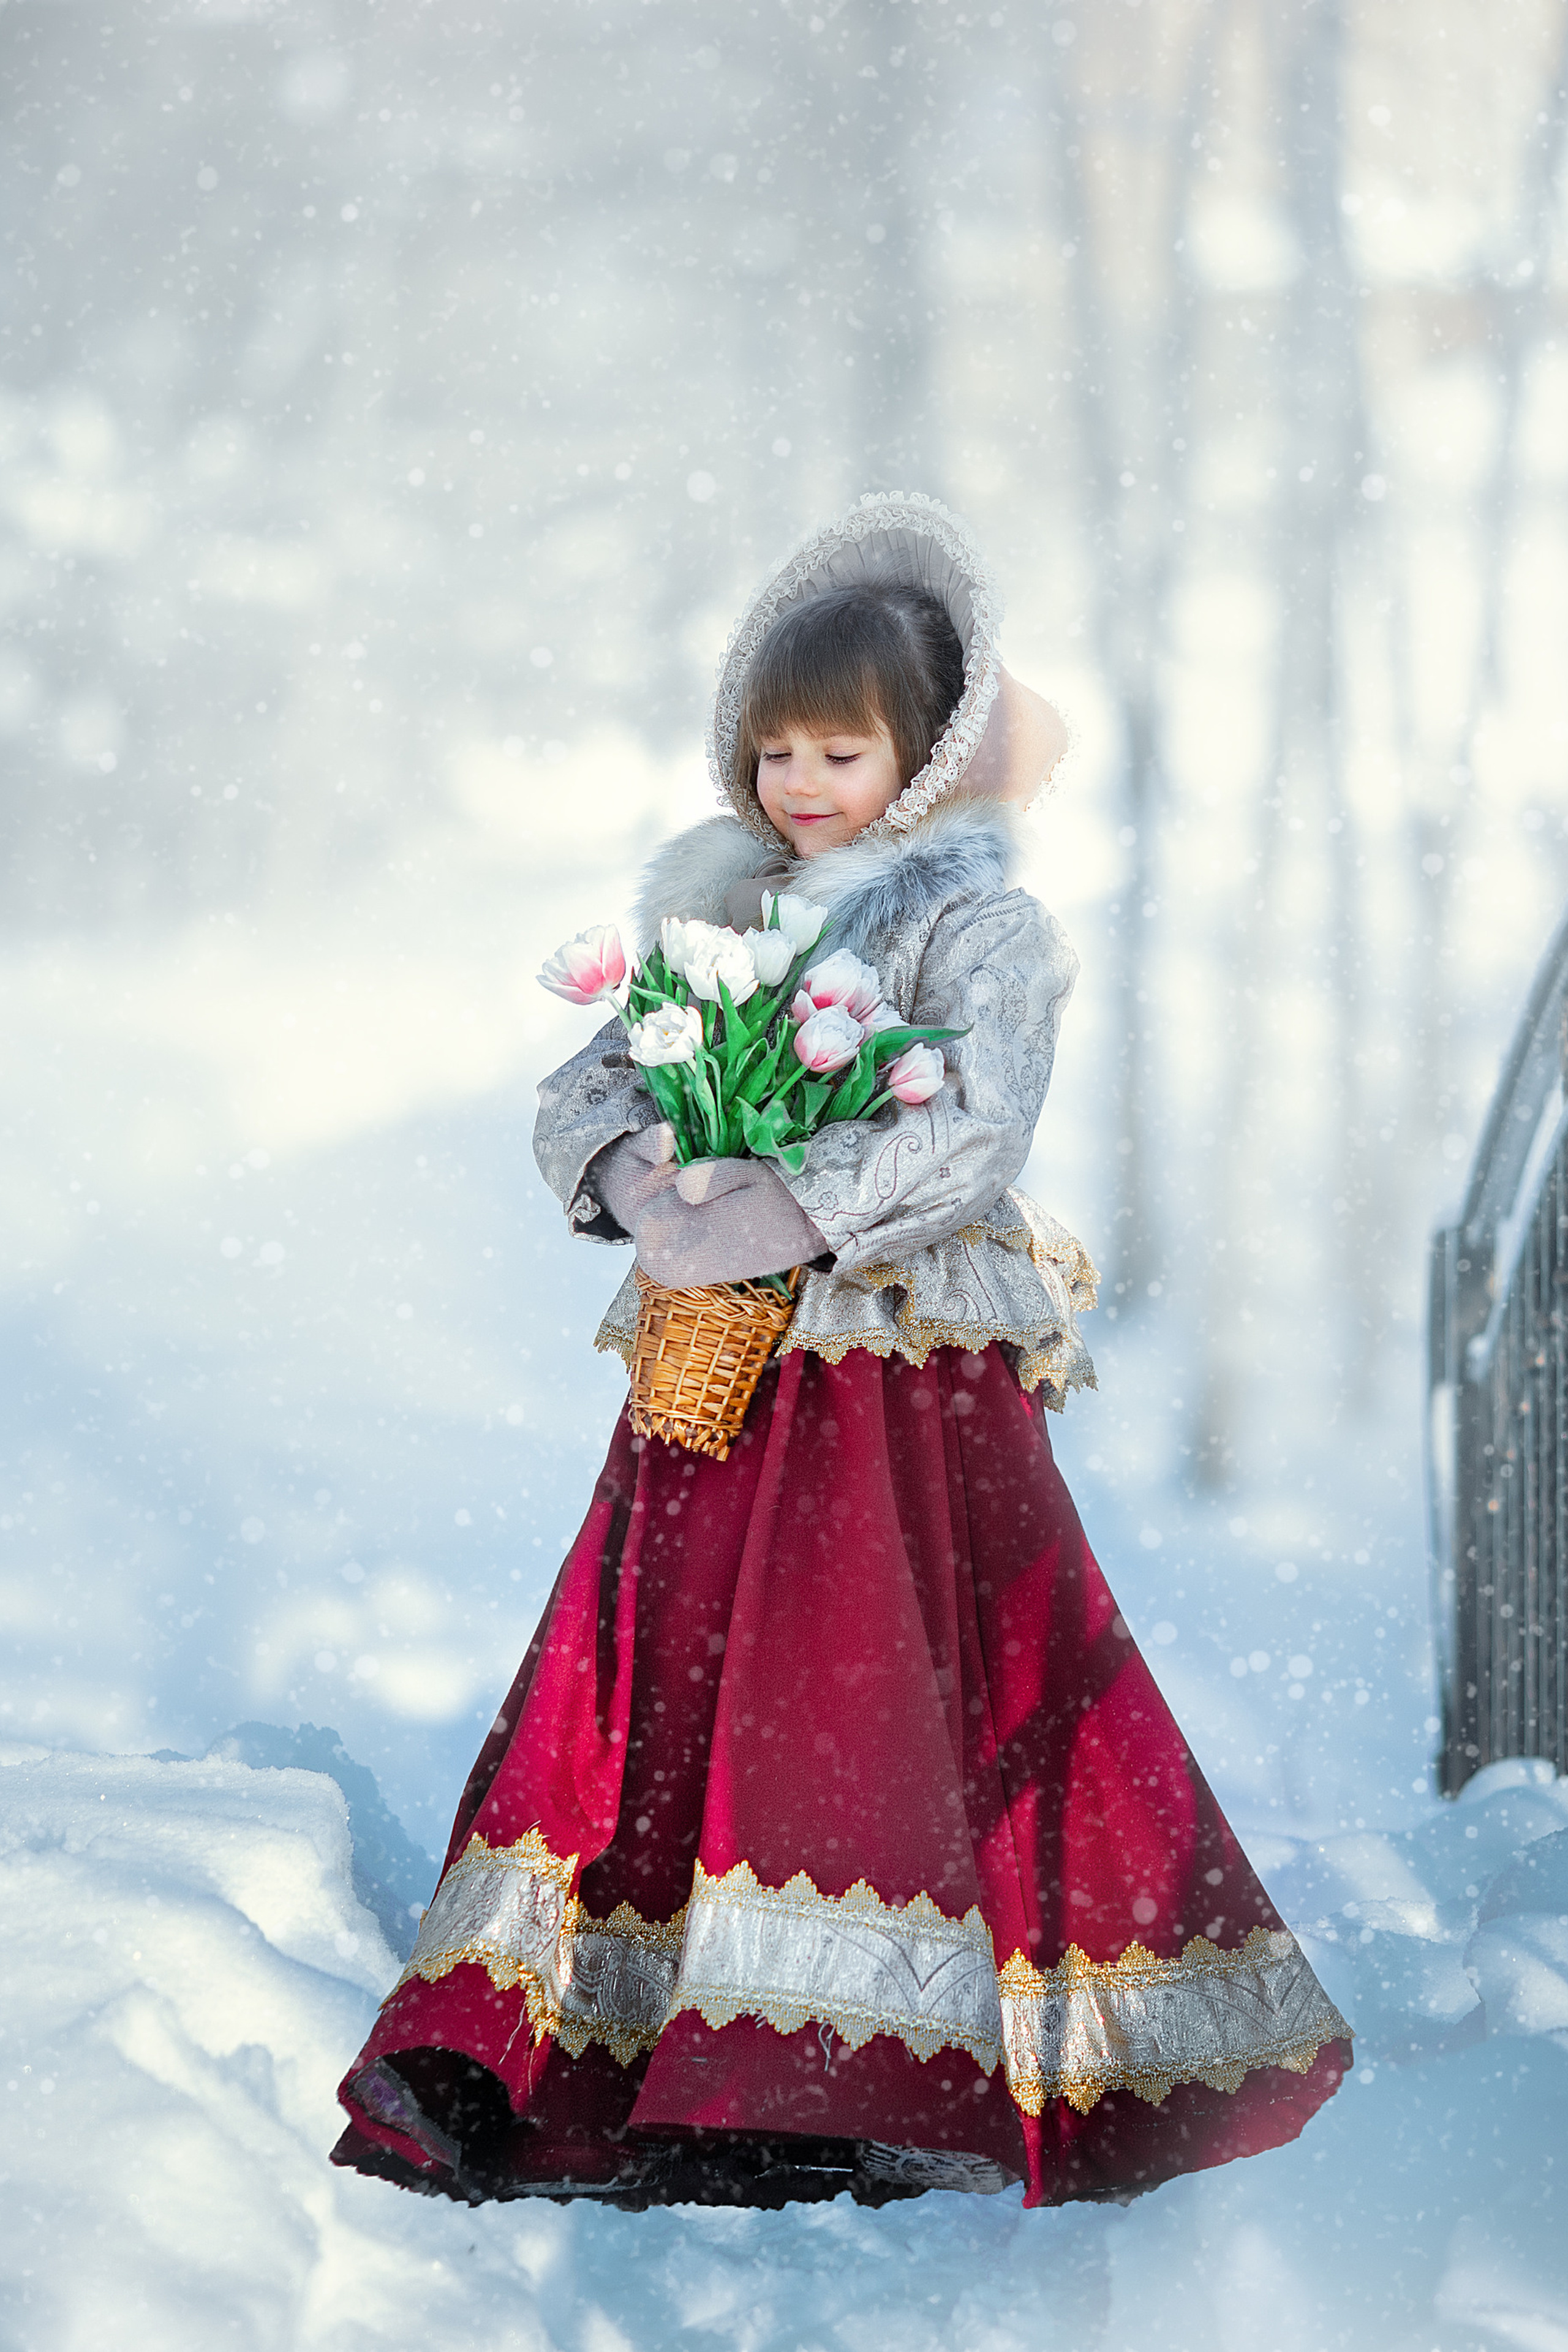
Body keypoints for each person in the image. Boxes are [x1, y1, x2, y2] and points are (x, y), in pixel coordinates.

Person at [331, 492, 1349, 2212]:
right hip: (713, 1379)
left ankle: (835, 2049)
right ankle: (574, 2022)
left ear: (928, 758)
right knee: (659, 1674)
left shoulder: (977, 927)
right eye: (778, 749)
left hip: (895, 1384)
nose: (805, 786)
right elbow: (592, 1085)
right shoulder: (724, 915)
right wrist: (645, 1175)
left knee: (871, 1686)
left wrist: (790, 1205)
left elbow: (977, 1128)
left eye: (844, 751)